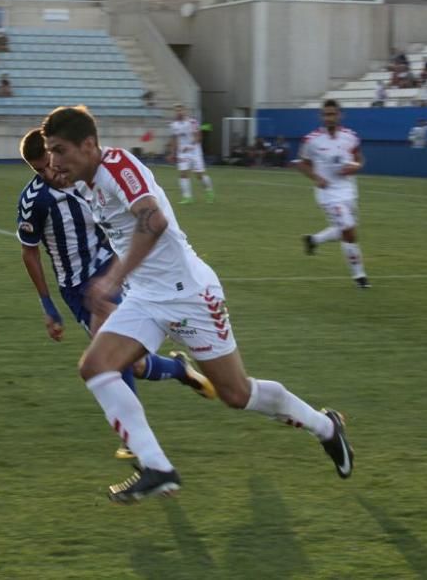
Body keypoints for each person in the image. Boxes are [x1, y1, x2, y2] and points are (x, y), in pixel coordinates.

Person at [42, 105, 353, 503]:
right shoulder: (89, 184)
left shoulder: (118, 165)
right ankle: (156, 467)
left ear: (88, 145)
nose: (54, 160)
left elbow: (153, 221)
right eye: (51, 151)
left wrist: (111, 280)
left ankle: (325, 427)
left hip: (189, 295)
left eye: (60, 149)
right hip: (146, 297)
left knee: (236, 394)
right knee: (95, 367)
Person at [17, 128, 216, 458]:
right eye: (40, 169)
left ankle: (135, 441)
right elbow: (29, 252)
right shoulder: (33, 201)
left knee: (109, 357)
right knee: (133, 367)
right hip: (77, 288)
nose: (50, 172)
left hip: (110, 275)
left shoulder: (86, 182)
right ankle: (178, 369)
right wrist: (47, 304)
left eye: (51, 163)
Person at [297, 100, 371, 289]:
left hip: (349, 191)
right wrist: (316, 178)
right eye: (325, 115)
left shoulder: (351, 137)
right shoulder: (312, 140)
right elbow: (302, 163)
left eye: (332, 114)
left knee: (344, 230)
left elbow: (359, 159)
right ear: (321, 117)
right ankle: (360, 277)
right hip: (328, 194)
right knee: (349, 231)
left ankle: (313, 240)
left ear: (340, 115)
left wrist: (355, 167)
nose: (329, 118)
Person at [169, 104, 214, 204]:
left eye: (180, 110)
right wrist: (173, 153)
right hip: (182, 152)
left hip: (195, 152)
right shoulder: (174, 125)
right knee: (183, 173)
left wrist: (189, 146)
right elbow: (174, 139)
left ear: (184, 111)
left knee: (199, 175)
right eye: (177, 111)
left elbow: (198, 137)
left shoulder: (192, 122)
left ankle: (209, 191)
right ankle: (187, 197)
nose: (179, 112)